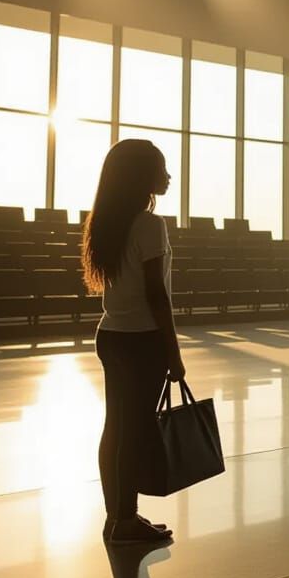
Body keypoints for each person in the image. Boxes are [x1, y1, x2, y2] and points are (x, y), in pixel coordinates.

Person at [82, 138, 186, 545]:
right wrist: (173, 353)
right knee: (134, 430)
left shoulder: (108, 221)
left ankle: (118, 517)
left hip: (111, 335)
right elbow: (156, 296)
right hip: (143, 340)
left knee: (116, 428)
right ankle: (125, 520)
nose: (168, 175)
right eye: (161, 168)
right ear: (143, 175)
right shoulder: (149, 224)